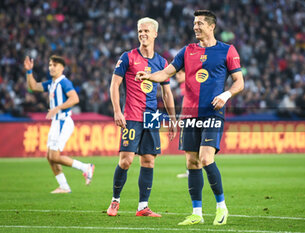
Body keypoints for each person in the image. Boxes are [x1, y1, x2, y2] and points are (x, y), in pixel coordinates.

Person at [136, 10, 244, 225]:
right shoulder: (187, 51)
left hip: (213, 112)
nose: (195, 27)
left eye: (200, 23)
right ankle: (197, 213)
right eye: (194, 23)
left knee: (205, 158)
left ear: (211, 26)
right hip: (189, 114)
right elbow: (166, 73)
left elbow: (239, 82)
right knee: (192, 163)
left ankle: (222, 208)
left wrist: (226, 94)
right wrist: (149, 76)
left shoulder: (227, 50)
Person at [107, 17, 176, 218]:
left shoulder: (162, 62)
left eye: (146, 31)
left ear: (155, 34)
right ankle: (115, 201)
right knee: (126, 160)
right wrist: (117, 111)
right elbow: (114, 85)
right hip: (132, 115)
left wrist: (172, 119)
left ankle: (142, 207)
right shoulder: (128, 57)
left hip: (152, 117)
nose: (142, 34)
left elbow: (167, 93)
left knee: (148, 161)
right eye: (139, 31)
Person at [23, 55, 95, 194]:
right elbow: (33, 87)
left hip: (63, 121)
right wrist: (29, 72)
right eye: (50, 65)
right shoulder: (52, 83)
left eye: (54, 65)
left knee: (54, 156)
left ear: (62, 68)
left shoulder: (63, 82)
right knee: (49, 157)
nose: (51, 67)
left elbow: (75, 98)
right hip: (56, 122)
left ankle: (85, 167)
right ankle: (64, 186)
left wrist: (58, 108)